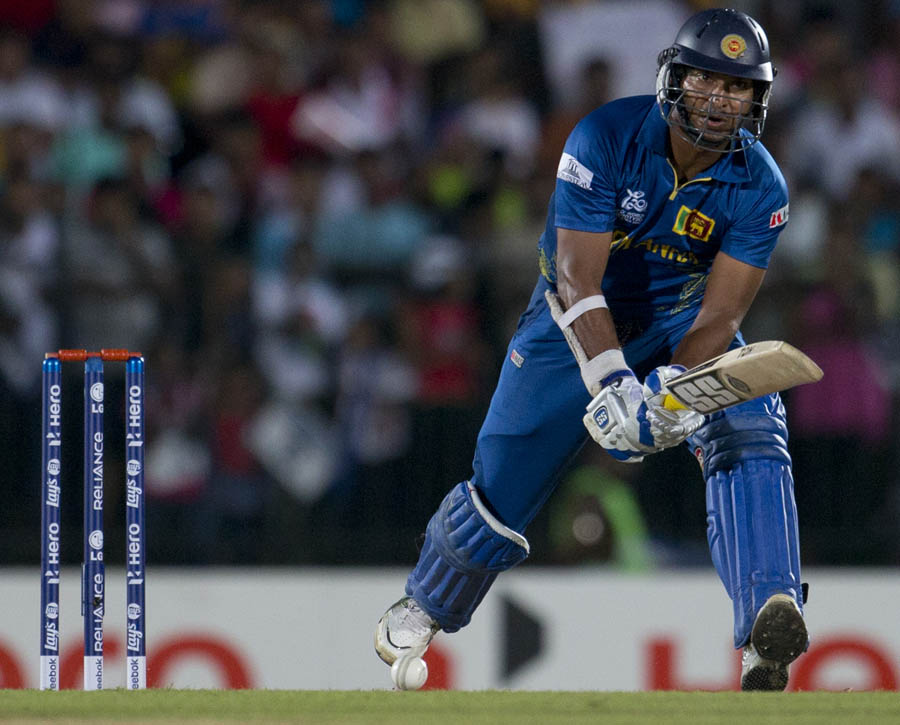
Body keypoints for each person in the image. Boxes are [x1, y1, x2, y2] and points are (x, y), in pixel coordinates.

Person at [374, 8, 807, 692]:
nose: (721, 100)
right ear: (674, 79)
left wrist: (667, 389)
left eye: (738, 88)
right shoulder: (604, 136)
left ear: (758, 98)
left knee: (751, 424)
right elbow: (579, 278)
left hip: (679, 323)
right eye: (707, 81)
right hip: (572, 322)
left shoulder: (762, 186)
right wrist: (613, 385)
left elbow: (722, 312)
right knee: (501, 485)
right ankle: (426, 602)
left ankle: (767, 625)